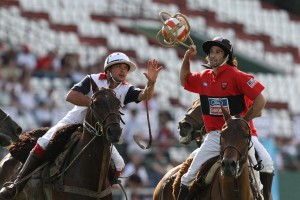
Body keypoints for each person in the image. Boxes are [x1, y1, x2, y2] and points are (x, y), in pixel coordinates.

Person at [0, 52, 162, 199]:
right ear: (108, 69)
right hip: (75, 121)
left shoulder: (125, 88)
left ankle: (98, 191)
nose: (123, 71)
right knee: (43, 142)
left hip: (98, 131)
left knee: (119, 164)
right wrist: (96, 103)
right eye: (119, 67)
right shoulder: (92, 79)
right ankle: (17, 185)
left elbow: (145, 94)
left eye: (125, 68)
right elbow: (70, 96)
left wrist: (152, 82)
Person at [177, 36, 273, 200]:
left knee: (266, 162)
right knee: (188, 176)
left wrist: (244, 121)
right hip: (215, 135)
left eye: (218, 52)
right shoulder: (203, 77)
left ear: (226, 56)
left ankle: (265, 196)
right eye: (211, 52)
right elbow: (184, 80)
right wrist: (187, 58)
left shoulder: (238, 76)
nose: (212, 55)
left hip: (240, 136)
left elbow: (260, 100)